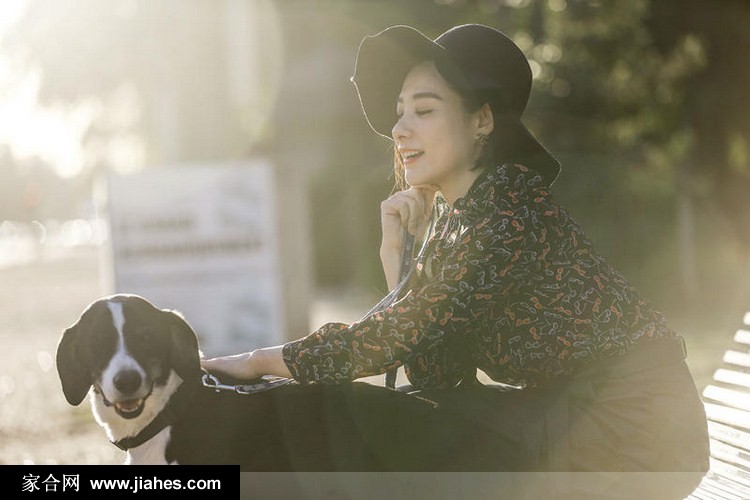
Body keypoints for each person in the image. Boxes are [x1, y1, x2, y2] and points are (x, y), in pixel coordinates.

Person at [202, 23, 709, 485]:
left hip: (637, 430)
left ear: (482, 119)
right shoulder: (457, 222)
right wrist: (399, 256)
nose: (401, 129)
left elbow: (392, 341)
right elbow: (440, 377)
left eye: (424, 110)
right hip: (573, 420)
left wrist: (259, 360)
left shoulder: (509, 203)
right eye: (400, 112)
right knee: (383, 416)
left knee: (351, 411)